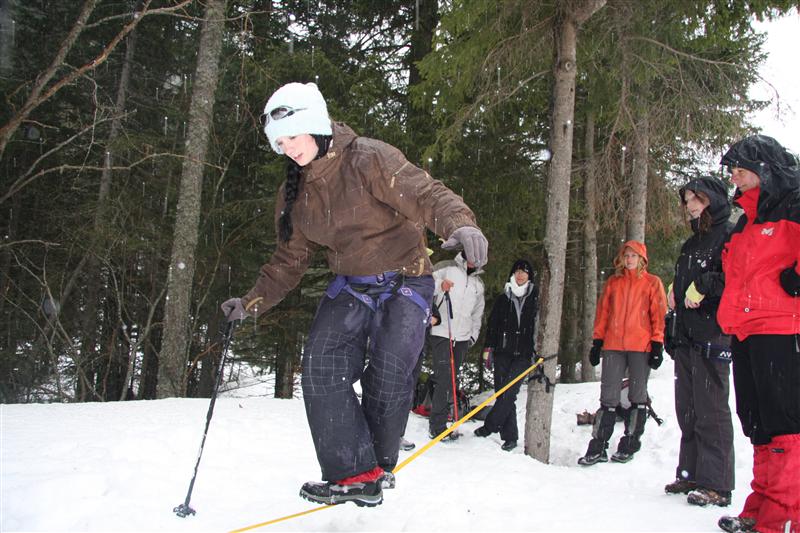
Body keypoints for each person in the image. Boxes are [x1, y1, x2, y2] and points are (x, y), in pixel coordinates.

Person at [220, 82, 488, 508]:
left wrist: (460, 223)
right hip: (351, 287)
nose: (288, 148)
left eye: (292, 136)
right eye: (280, 142)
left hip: (406, 282)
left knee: (388, 378)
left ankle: (376, 469)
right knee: (321, 370)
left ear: (313, 124)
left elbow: (424, 193)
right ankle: (353, 473)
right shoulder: (296, 192)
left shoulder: (368, 158)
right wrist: (251, 302)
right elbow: (289, 260)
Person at [713, 135, 800, 533]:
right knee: (758, 422)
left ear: (763, 168)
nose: (734, 177)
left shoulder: (793, 205)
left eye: (740, 169)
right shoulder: (745, 218)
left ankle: (786, 513)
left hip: (781, 326)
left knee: (784, 422)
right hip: (744, 328)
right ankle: (762, 504)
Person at [663, 177, 735, 508]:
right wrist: (672, 312)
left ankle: (717, 483)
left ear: (715, 201)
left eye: (697, 199)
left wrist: (706, 283)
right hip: (687, 336)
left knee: (712, 411)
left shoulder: (729, 234)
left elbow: (735, 276)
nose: (690, 205)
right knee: (688, 409)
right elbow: (683, 290)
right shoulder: (693, 243)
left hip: (713, 333)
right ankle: (690, 472)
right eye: (688, 199)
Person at [578, 240, 667, 466]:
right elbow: (603, 313)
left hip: (641, 345)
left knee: (637, 397)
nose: (629, 259)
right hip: (613, 344)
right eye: (626, 255)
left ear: (642, 259)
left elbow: (658, 314)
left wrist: (658, 344)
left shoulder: (652, 283)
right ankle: (598, 445)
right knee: (608, 397)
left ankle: (630, 442)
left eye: (634, 256)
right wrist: (597, 342)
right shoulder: (613, 283)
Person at [473, 259, 538, 452]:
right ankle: (510, 437)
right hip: (502, 352)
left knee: (509, 393)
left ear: (529, 276)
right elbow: (493, 326)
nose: (520, 275)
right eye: (517, 271)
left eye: (524, 272)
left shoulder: (535, 298)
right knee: (502, 393)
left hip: (523, 354)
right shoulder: (504, 298)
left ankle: (490, 426)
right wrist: (488, 348)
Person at [426, 251, 485, 440]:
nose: (474, 260)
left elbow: (477, 314)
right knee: (445, 376)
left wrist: (472, 336)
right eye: (472, 255)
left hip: (462, 337)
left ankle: (443, 419)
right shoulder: (447, 267)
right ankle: (437, 426)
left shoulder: (478, 284)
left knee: (451, 378)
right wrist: (440, 286)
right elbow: (425, 284)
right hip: (442, 330)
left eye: (479, 257)